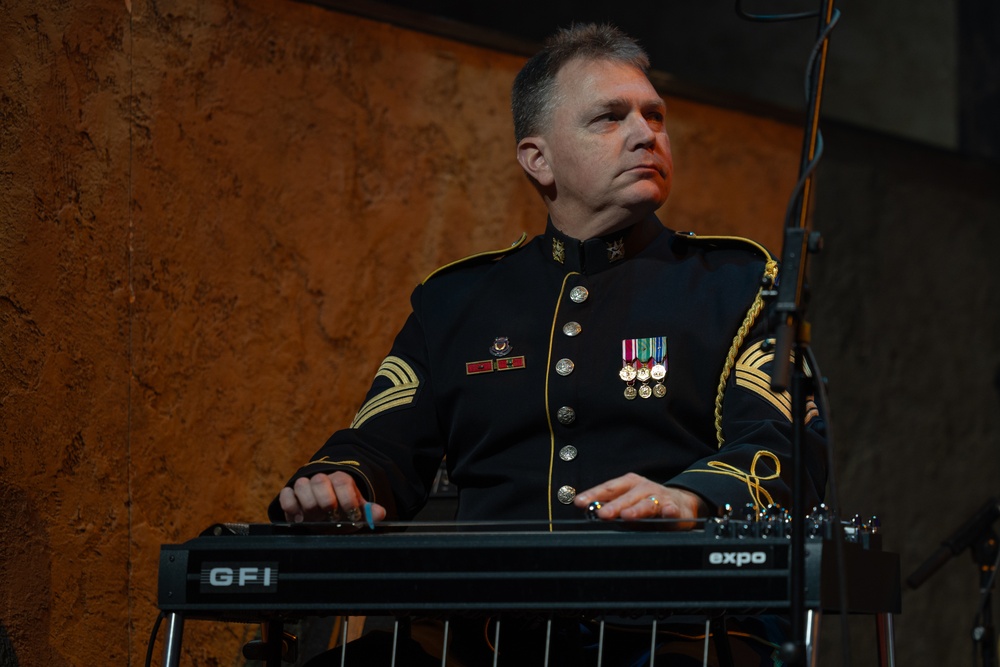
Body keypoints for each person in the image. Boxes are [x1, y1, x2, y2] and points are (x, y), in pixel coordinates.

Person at [270, 23, 827, 666]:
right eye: (609, 118)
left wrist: (693, 498)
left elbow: (785, 445)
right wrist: (339, 482)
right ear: (538, 159)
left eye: (655, 115)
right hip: (476, 637)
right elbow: (379, 445)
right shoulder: (457, 301)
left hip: (676, 630)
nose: (647, 134)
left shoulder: (735, 286)